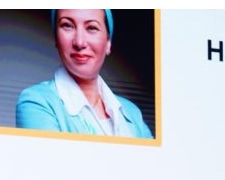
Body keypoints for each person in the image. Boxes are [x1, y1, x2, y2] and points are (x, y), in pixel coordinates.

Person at [15, 9, 153, 139]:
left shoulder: (132, 113)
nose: (79, 42)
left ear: (108, 43)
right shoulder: (36, 102)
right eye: (67, 25)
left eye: (92, 28)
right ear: (56, 38)